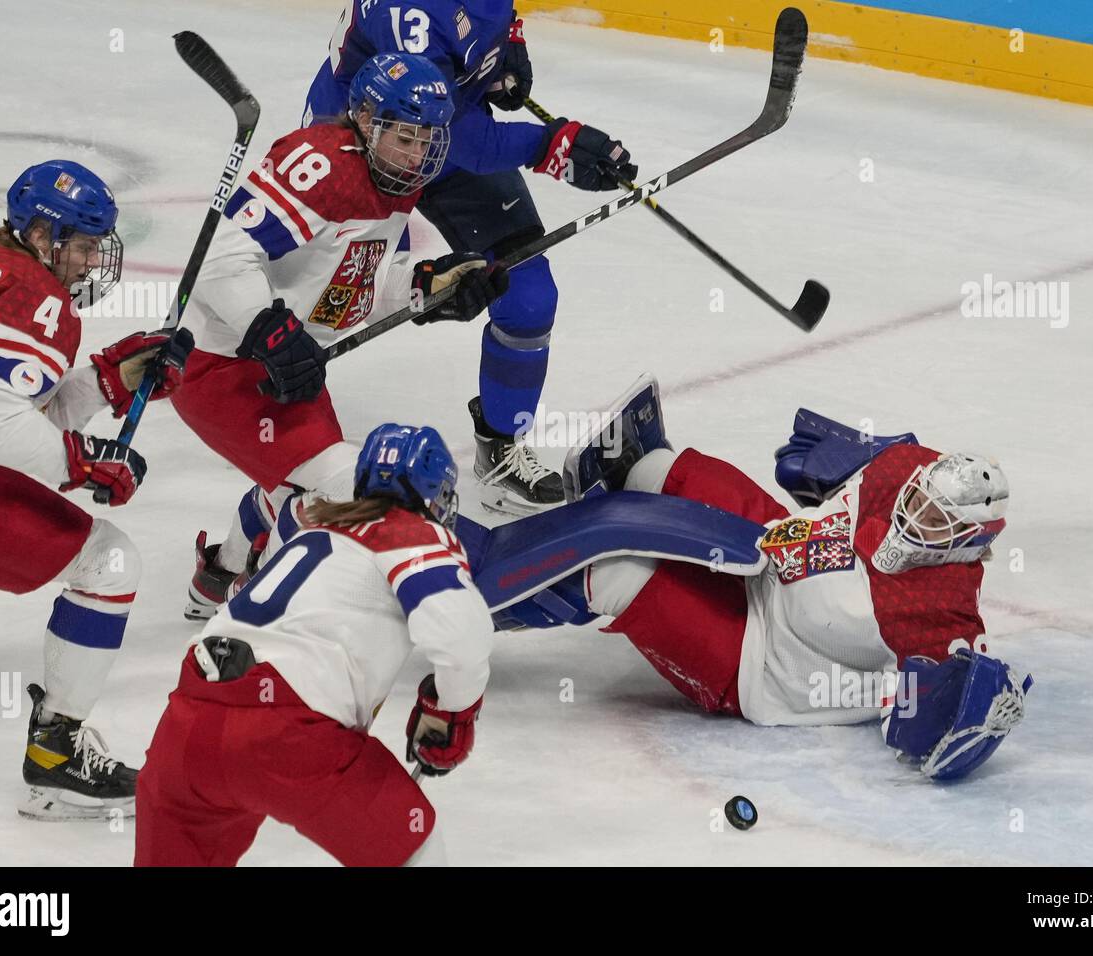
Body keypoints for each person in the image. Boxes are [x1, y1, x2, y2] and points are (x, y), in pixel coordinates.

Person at [455, 376, 1032, 781]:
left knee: (616, 572)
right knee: (656, 469)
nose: (914, 517)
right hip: (772, 548)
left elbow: (939, 722)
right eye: (920, 499)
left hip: (757, 659)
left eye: (936, 521)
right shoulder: (905, 471)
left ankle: (491, 602)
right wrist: (840, 461)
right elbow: (863, 463)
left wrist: (970, 714)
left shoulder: (942, 616)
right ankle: (550, 542)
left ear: (969, 541)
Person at [174, 51, 509, 620]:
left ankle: (223, 571)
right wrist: (268, 329)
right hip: (218, 365)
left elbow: (350, 290)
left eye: (428, 140)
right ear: (363, 119)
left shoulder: (392, 184)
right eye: (405, 137)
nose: (418, 154)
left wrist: (430, 286)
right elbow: (220, 259)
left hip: (286, 364)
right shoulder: (322, 164)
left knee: (309, 484)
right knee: (345, 492)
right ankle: (248, 618)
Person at [0, 159, 192, 818]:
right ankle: (56, 756)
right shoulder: (36, 293)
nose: (93, 260)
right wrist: (81, 463)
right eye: (85, 244)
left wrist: (105, 380)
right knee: (108, 561)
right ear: (42, 236)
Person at [306, 3, 639, 514]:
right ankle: (266, 414)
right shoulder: (411, 12)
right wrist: (551, 144)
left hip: (445, 133)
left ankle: (501, 450)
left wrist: (508, 53)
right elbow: (468, 142)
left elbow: (486, 37)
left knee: (528, 298)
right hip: (368, 148)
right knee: (334, 306)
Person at [135, 423, 493, 866]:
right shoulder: (414, 533)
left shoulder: (312, 525)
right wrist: (451, 710)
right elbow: (462, 636)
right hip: (288, 734)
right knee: (414, 848)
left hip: (187, 724)